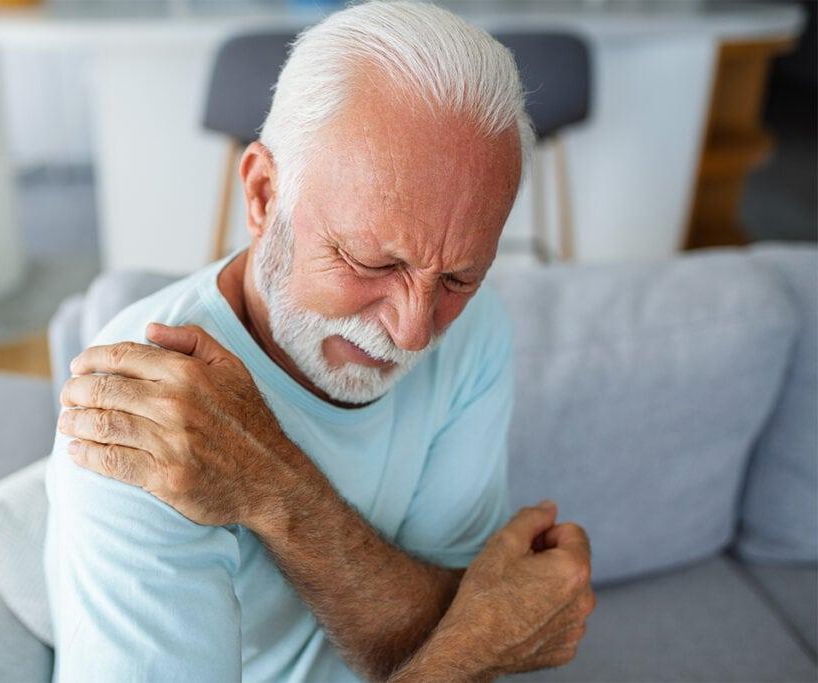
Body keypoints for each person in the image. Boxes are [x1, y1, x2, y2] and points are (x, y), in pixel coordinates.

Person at [44, 1, 594, 680]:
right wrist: (485, 640)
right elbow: (478, 630)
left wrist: (275, 487)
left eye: (458, 278)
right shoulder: (145, 412)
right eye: (372, 262)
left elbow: (453, 608)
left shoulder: (476, 329)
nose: (413, 331)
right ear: (263, 194)